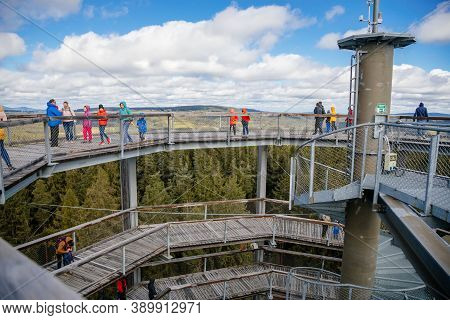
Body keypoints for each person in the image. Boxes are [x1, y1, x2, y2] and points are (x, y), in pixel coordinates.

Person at [0, 106, 15, 170]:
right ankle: (9, 165)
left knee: (2, 150)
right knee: (2, 150)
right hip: (1, 133)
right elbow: (5, 121)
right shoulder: (1, 110)